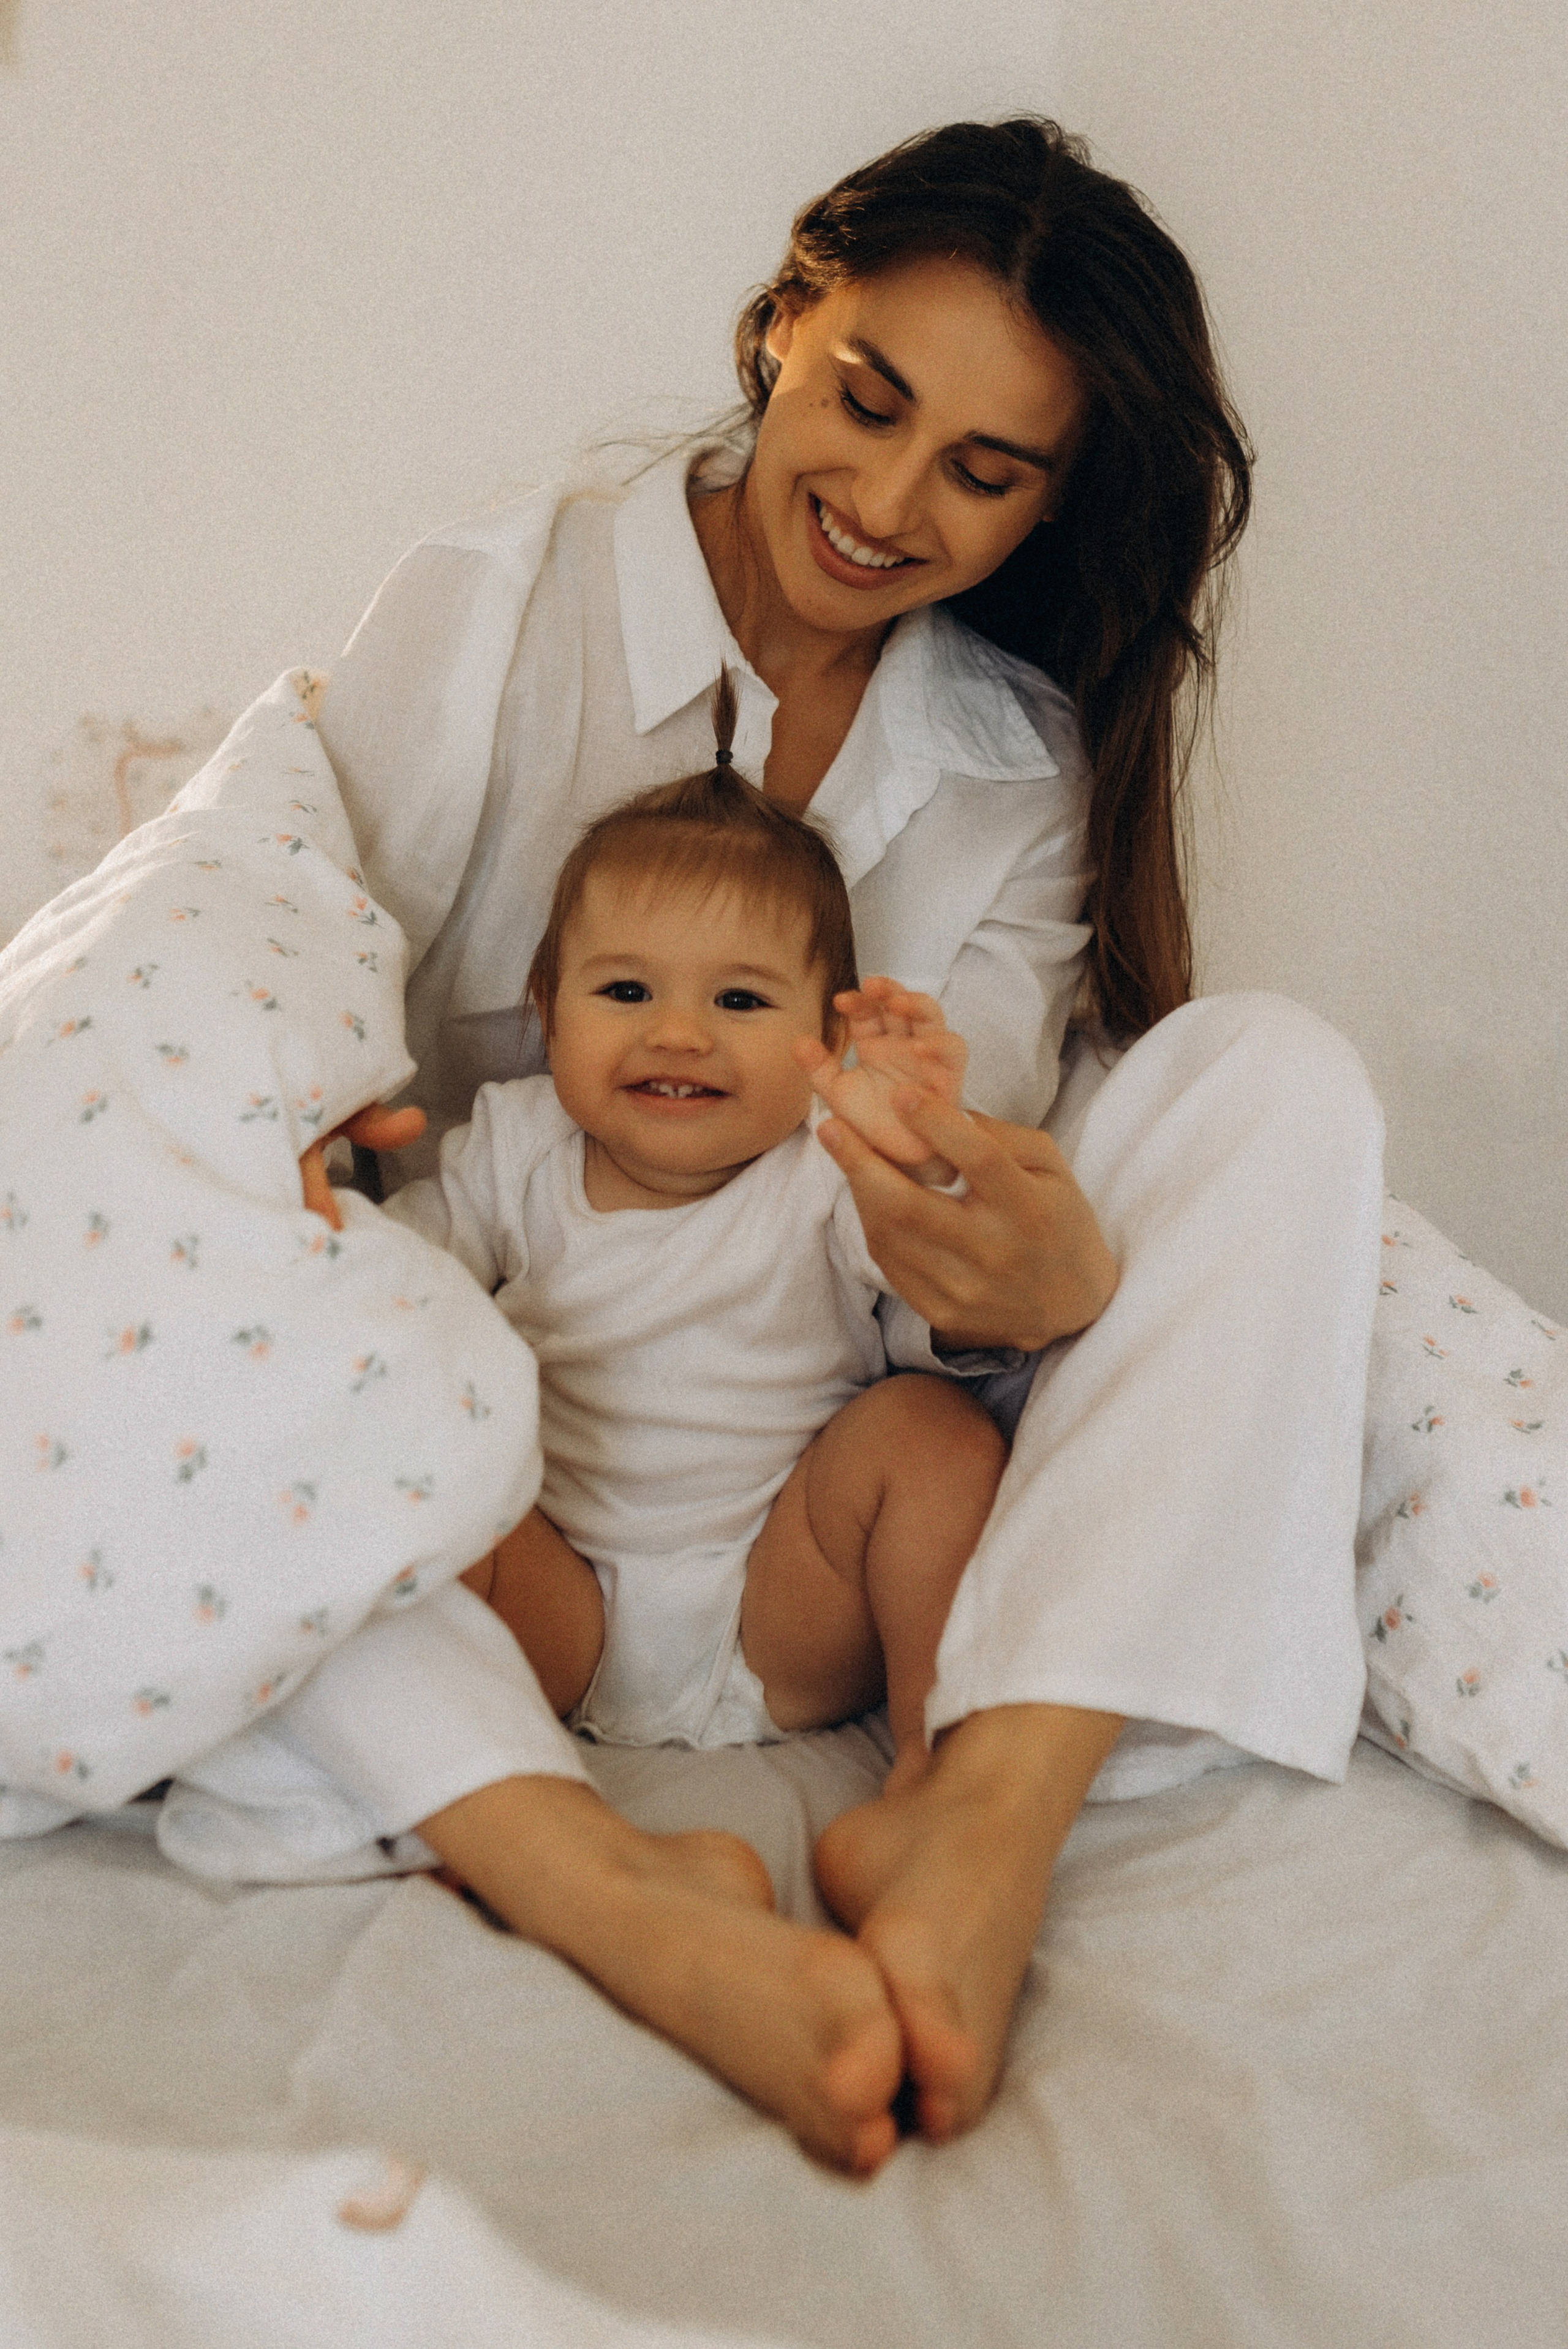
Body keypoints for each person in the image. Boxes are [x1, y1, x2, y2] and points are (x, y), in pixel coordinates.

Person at [306, 116, 1384, 2174]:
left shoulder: (1015, 757)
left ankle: (987, 1795)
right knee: (231, 1356)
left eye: (988, 470)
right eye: (868, 402)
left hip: (818, 1437)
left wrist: (1039, 1278)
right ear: (780, 328)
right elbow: (304, 991)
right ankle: (592, 1880)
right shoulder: (492, 608)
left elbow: (931, 1251)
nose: (891, 502)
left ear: (1058, 499)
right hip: (484, 1409)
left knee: (1279, 1080)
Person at [377, 697, 1008, 1781]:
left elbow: (948, 1284)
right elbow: (385, 1288)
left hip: (786, 1601)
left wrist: (927, 1152)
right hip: (555, 1596)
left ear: (828, 1037)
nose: (680, 1033)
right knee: (399, 1462)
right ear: (550, 1010)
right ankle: (458, 1769)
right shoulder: (513, 1148)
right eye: (625, 990)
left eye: (741, 1000)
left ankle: (934, 1760)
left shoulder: (827, 1166)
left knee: (934, 1438)